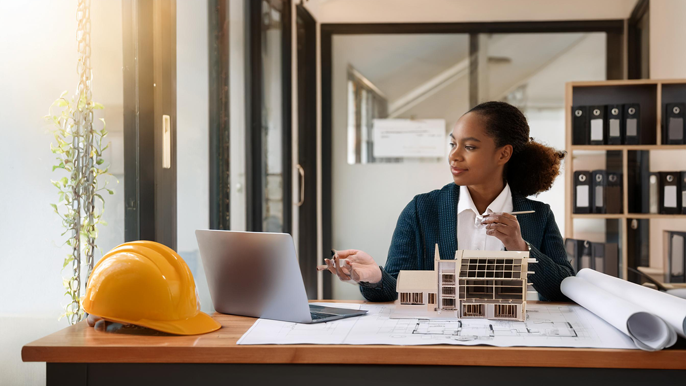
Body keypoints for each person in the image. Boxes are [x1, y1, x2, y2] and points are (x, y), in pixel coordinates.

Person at [325, 101, 574, 302]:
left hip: (517, 346)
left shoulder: (537, 215)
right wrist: (376, 277)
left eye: (470, 147)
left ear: (503, 153)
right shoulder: (422, 210)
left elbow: (564, 289)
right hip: (441, 348)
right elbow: (395, 290)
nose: (454, 156)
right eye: (453, 144)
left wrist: (521, 248)